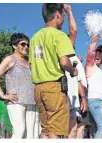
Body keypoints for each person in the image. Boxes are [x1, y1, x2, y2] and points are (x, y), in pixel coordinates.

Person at [29, 3, 77, 138]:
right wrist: (73, 71)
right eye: (62, 15)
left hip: (39, 88)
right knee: (55, 131)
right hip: (54, 88)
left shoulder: (34, 38)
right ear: (58, 14)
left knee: (45, 130)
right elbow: (64, 61)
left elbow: (32, 65)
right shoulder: (59, 35)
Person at [0, 33, 36, 138]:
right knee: (19, 131)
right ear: (14, 46)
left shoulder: (29, 62)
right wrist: (2, 95)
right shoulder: (10, 59)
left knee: (30, 136)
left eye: (28, 45)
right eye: (23, 44)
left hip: (31, 102)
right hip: (16, 102)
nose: (26, 47)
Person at [63, 4, 88, 139]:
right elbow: (73, 31)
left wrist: (83, 97)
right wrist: (69, 12)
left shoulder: (74, 57)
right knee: (59, 133)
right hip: (62, 97)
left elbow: (77, 78)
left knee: (74, 131)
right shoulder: (60, 55)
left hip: (74, 99)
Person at [85, 36, 102, 138]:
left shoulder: (101, 69)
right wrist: (94, 40)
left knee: (100, 127)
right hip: (95, 101)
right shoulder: (90, 66)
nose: (99, 56)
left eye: (101, 54)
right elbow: (91, 52)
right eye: (97, 54)